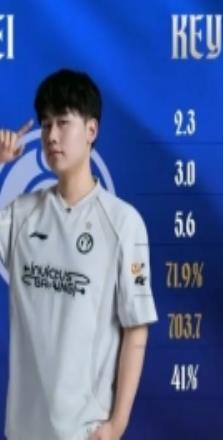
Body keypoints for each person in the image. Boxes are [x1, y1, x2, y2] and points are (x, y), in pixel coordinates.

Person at [0, 69, 158, 440]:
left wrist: (117, 424)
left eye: (63, 122)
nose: (51, 136)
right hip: (23, 430)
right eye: (45, 124)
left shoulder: (123, 223)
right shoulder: (21, 215)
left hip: (84, 432)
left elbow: (136, 327)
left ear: (91, 130)